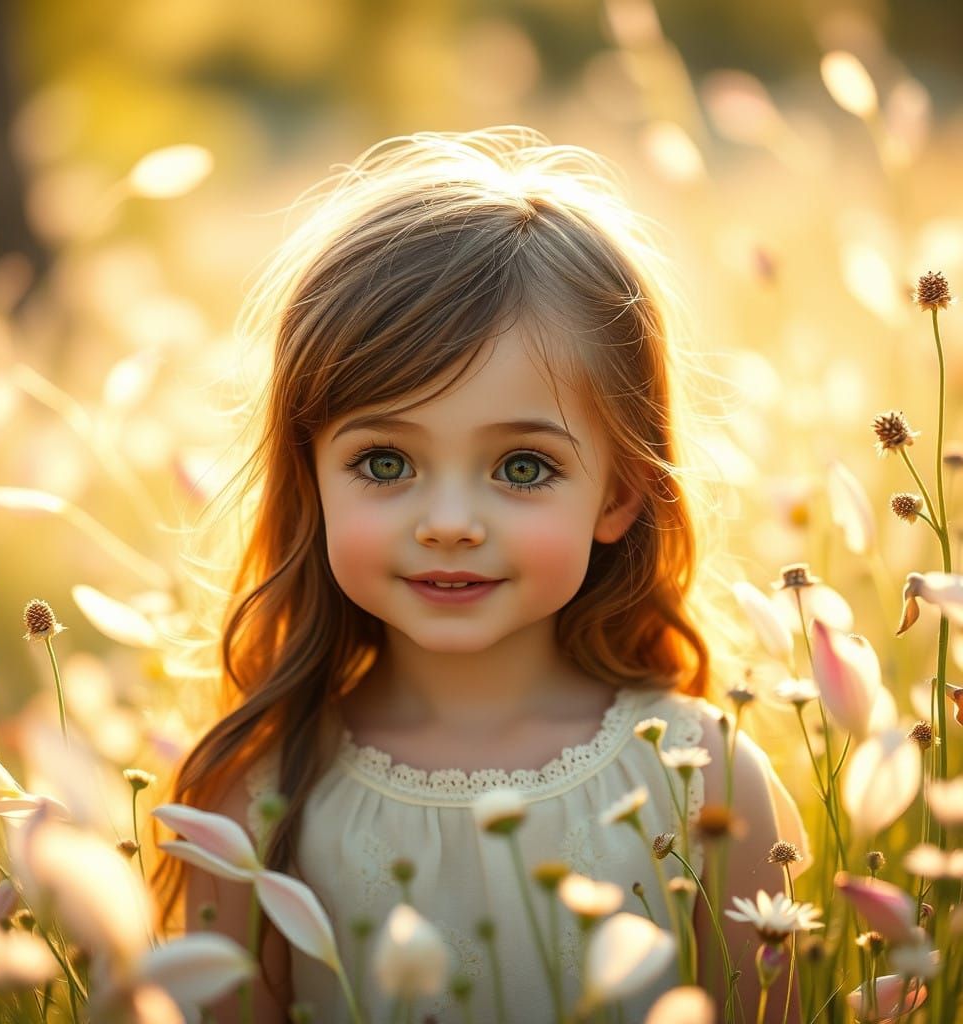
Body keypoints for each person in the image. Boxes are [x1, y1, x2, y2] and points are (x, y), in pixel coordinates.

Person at [152, 125, 809, 1023]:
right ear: (310, 477)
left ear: (619, 494)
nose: (450, 523)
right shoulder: (258, 797)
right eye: (386, 462)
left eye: (522, 467)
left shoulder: (702, 777)